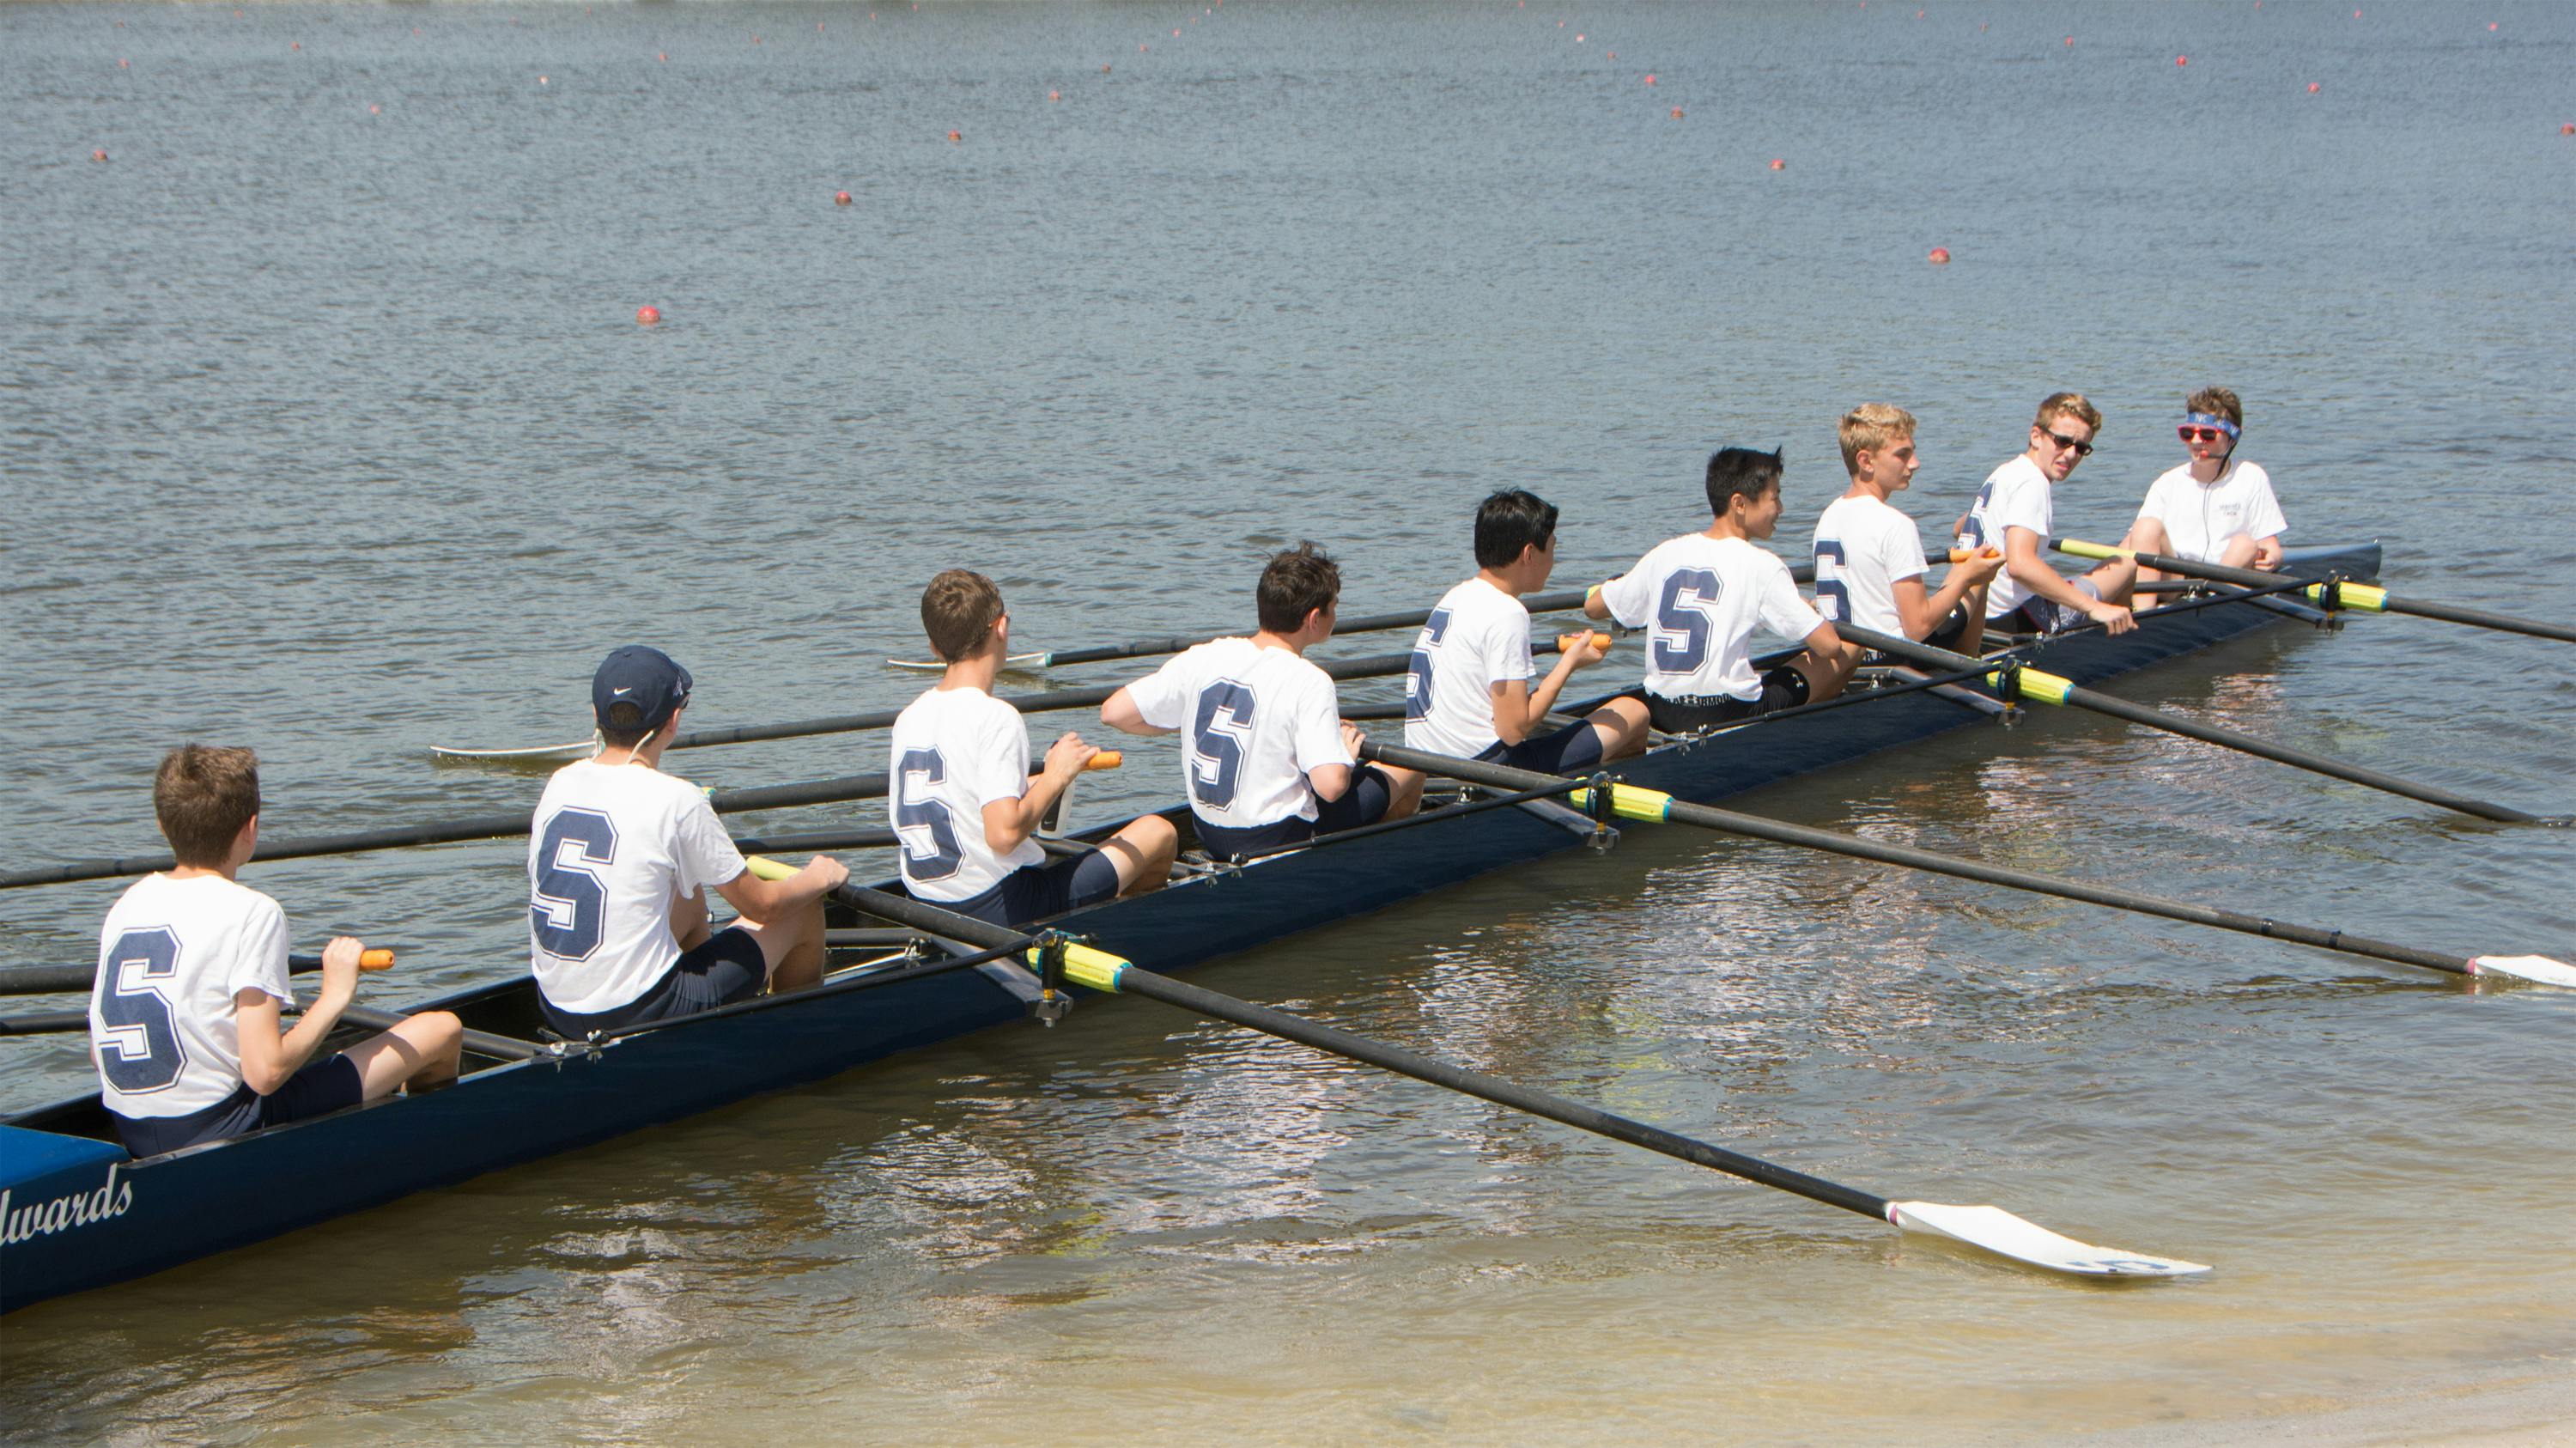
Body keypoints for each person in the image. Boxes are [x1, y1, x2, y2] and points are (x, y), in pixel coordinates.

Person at [89, 745, 462, 1159]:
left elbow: (97, 1053)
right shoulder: (253, 912)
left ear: (163, 825)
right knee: (440, 1030)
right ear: (250, 829)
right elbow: (265, 1074)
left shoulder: (128, 903)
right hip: (220, 1131)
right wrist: (334, 995)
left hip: (133, 1130)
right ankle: (424, 1152)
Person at [529, 646, 846, 1038]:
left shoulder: (559, 782)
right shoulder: (677, 799)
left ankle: (713, 1017)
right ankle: (795, 1037)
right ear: (674, 721)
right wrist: (819, 876)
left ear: (596, 716)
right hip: (639, 1011)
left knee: (690, 890)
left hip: (554, 1007)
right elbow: (763, 907)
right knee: (802, 908)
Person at [891, 569, 1178, 926]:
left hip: (924, 905)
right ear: (1001, 628)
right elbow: (1003, 835)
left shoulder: (909, 718)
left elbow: (962, 797)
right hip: (999, 907)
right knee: (1159, 832)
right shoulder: (996, 716)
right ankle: (1115, 931)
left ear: (934, 647)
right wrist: (1057, 776)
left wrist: (1042, 780)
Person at [1103, 544, 1417, 860]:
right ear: (1314, 619)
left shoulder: (1205, 655)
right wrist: (1344, 757)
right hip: (1279, 839)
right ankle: (1377, 862)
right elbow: (1331, 787)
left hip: (1209, 832)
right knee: (1409, 764)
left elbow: (1115, 712)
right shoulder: (1309, 680)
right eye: (1334, 606)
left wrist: (1196, 720)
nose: (1336, 613)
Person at [1583, 448, 1850, 734]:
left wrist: (1614, 585)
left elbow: (1594, 608)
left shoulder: (1665, 554)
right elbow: (1828, 645)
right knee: (1849, 647)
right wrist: (1805, 612)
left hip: (1664, 708)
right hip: (1728, 711)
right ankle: (1815, 733)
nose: (1781, 509)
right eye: (1775, 497)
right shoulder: (1762, 564)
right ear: (1740, 504)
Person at [1398, 489, 1637, 779]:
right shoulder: (1507, 613)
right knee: (1632, 713)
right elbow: (1513, 730)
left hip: (1423, 769)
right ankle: (1602, 800)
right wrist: (1570, 661)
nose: (1554, 560)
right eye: (1552, 548)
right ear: (1529, 554)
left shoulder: (1454, 596)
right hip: (1484, 771)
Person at [1812, 404, 2007, 654]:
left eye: (1913, 453)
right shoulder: (1895, 524)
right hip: (1893, 661)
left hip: (1843, 663)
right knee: (1975, 577)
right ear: (1866, 461)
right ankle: (1969, 671)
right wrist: (1968, 577)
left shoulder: (1828, 516)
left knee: (1969, 568)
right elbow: (1918, 627)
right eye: (1902, 455)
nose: (1915, 464)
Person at [1952, 392, 2139, 636]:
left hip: (1972, 613)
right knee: (2126, 565)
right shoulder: (2033, 484)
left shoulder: (2006, 472)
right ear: (2036, 436)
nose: (2071, 454)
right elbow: (2020, 565)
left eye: (2081, 447)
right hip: (2016, 618)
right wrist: (2095, 608)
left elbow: (1959, 528)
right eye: (2062, 442)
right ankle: (2122, 633)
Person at [2121, 386, 2288, 607]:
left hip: (2227, 575)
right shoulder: (2167, 482)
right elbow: (2131, 544)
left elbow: (2270, 545)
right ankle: (2143, 614)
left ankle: (2206, 603)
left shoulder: (2251, 476)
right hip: (2175, 579)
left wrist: (2273, 558)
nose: (2197, 441)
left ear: (2233, 437)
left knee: (2245, 543)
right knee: (2146, 526)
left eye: (2208, 434)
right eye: (2188, 433)